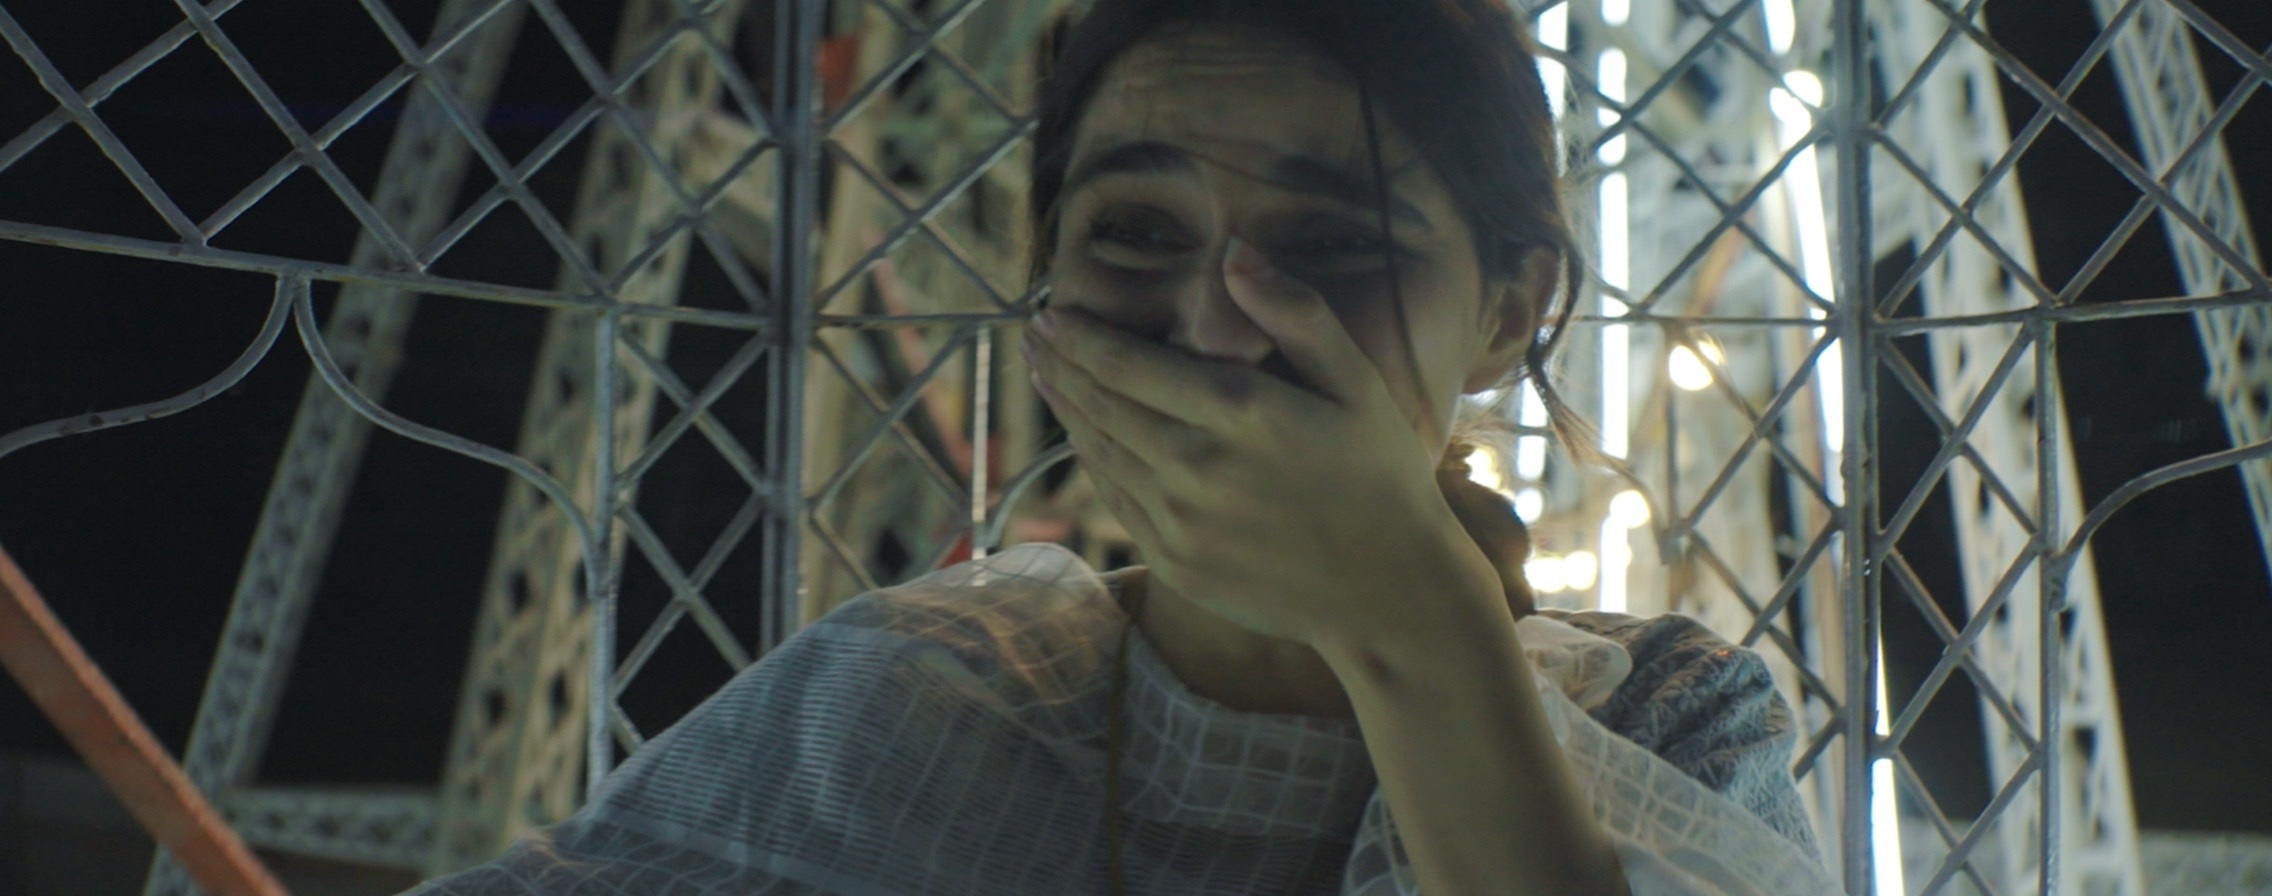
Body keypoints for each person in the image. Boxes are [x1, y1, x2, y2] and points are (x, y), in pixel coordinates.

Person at [403, 0, 1841, 893]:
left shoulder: (1664, 722)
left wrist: (1406, 621)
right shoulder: (897, 717)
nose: (1221, 328)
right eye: (1137, 233)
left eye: (1334, 246)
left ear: (1508, 315)